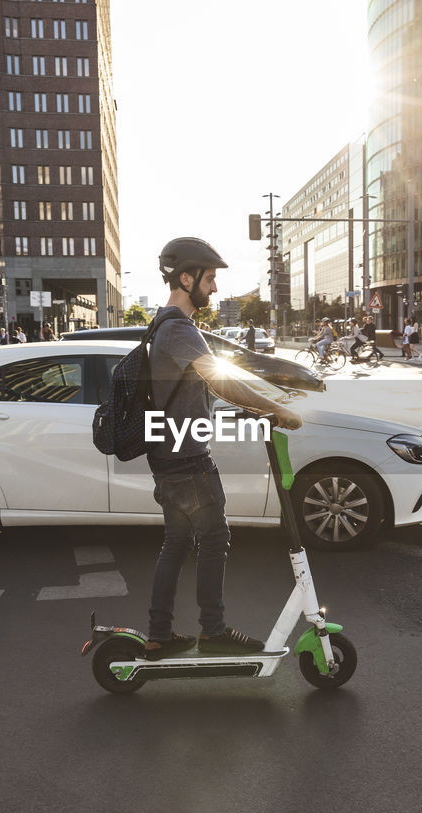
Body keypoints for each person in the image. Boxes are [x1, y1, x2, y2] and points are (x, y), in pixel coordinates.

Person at [141, 237, 303, 660]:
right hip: (187, 460)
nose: (213, 288)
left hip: (168, 454)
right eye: (210, 278)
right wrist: (274, 410)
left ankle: (160, 634)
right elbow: (220, 380)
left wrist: (249, 409)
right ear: (187, 277)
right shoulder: (177, 327)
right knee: (215, 538)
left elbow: (197, 391)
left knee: (176, 543)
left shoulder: (163, 324)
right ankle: (213, 631)